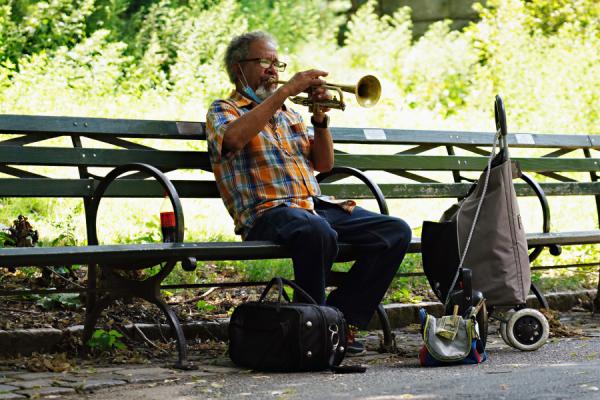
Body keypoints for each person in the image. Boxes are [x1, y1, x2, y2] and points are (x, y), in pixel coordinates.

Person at [206, 31, 412, 354]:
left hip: (313, 206)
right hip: (267, 213)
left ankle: (339, 324)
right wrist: (286, 91)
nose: (274, 70)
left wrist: (319, 120)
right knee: (317, 231)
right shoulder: (224, 109)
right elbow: (232, 140)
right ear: (239, 68)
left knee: (395, 232)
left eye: (277, 63)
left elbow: (324, 164)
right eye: (265, 62)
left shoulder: (289, 115)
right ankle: (313, 332)